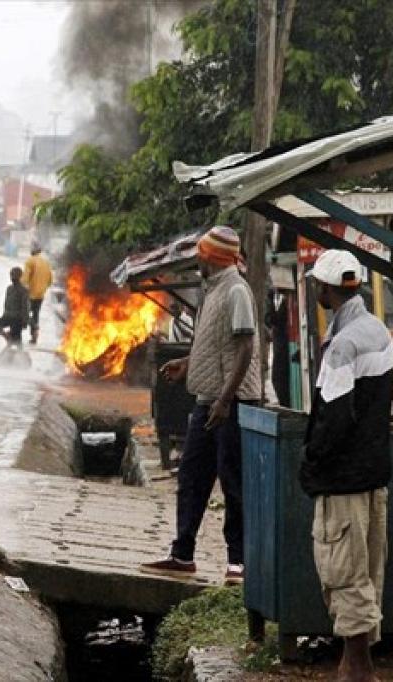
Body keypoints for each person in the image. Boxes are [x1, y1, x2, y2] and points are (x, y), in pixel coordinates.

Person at [140, 226, 261, 584]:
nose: (197, 259)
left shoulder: (237, 290)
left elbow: (245, 348)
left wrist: (225, 399)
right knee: (192, 478)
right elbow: (213, 343)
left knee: (232, 482)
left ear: (212, 257)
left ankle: (237, 562)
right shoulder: (212, 289)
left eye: (201, 254)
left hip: (231, 404)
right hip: (208, 401)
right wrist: (188, 363)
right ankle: (182, 554)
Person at [301, 250, 393, 682]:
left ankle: (359, 670)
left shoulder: (342, 345)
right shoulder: (377, 331)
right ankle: (351, 665)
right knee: (367, 569)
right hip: (374, 475)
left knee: (344, 571)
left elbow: (333, 420)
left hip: (343, 480)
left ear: (325, 288)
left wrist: (312, 465)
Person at [22, 242, 53, 345]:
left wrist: (22, 289)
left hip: (30, 294)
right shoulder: (46, 262)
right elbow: (50, 280)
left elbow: (25, 279)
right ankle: (34, 335)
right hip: (41, 294)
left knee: (24, 313)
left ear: (33, 250)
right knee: (36, 314)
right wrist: (43, 288)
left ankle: (19, 333)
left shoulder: (30, 261)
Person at [0, 267, 29, 348]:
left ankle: (17, 356)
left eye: (14, 275)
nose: (12, 277)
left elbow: (25, 307)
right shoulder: (9, 288)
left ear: (20, 276)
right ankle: (8, 337)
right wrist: (4, 314)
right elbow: (6, 303)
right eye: (11, 275)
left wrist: (25, 321)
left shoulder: (23, 290)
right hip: (8, 316)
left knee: (17, 341)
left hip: (17, 319)